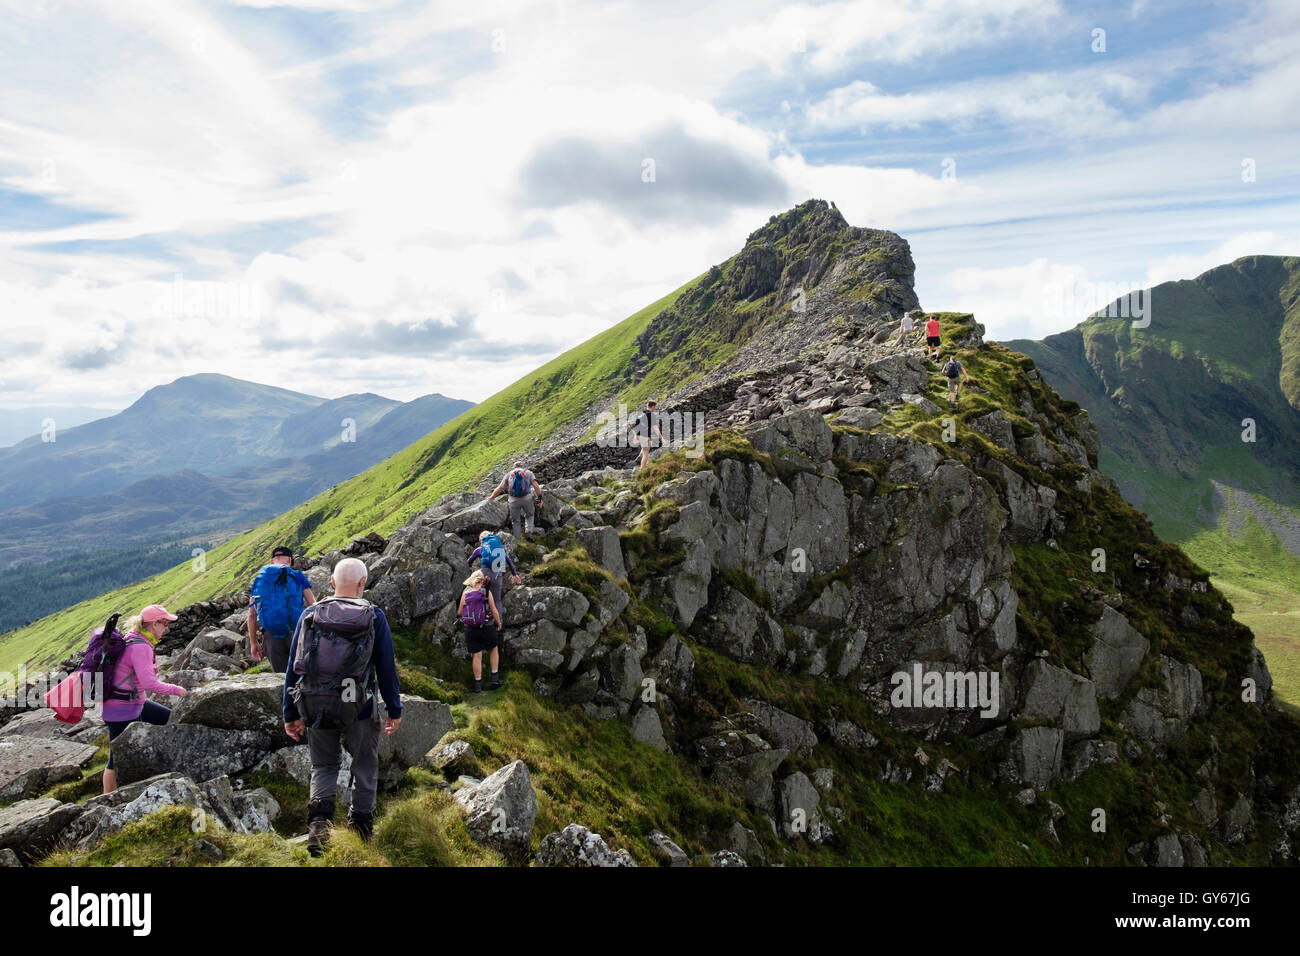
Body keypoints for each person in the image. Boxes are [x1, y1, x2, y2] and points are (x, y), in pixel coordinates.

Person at [283, 557, 401, 857]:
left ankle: (318, 828)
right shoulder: (373, 616)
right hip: (359, 707)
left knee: (323, 765)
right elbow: (386, 667)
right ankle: (361, 830)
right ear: (362, 583)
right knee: (364, 763)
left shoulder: (310, 615)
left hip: (315, 703)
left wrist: (290, 713)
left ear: (332, 582)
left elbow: (293, 670)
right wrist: (394, 709)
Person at [101, 605, 188, 794]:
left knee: (170, 719)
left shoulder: (135, 638)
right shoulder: (140, 646)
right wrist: (176, 690)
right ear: (153, 624)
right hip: (121, 709)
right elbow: (148, 683)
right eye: (164, 623)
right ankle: (107, 799)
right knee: (115, 759)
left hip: (131, 703)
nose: (166, 628)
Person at [248, 545, 316, 673]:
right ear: (290, 560)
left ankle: (284, 693)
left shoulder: (260, 580)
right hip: (295, 633)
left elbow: (252, 615)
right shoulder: (297, 576)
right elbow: (313, 606)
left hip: (270, 636)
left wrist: (253, 643)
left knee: (280, 678)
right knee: (301, 674)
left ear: (272, 561)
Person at [459, 569, 504, 693]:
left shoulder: (466, 592)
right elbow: (494, 610)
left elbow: (460, 612)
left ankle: (478, 686)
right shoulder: (486, 592)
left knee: (476, 655)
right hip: (487, 626)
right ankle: (494, 679)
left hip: (471, 629)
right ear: (482, 580)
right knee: (493, 649)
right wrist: (498, 623)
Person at [468, 530, 521, 631]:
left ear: (481, 539)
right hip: (498, 575)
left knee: (482, 598)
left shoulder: (480, 549)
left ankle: (482, 622)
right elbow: (508, 560)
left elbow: (469, 561)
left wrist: (470, 568)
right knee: (497, 600)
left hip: (484, 575)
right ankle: (498, 624)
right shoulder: (500, 549)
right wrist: (515, 574)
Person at [485, 462, 543, 541]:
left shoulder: (509, 474)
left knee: (515, 521)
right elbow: (536, 486)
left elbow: (499, 488)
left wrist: (491, 498)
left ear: (513, 467)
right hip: (527, 499)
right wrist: (539, 499)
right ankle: (528, 532)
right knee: (530, 515)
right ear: (523, 466)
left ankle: (518, 540)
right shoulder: (528, 473)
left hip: (513, 501)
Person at [630, 400, 665, 471]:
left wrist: (636, 436)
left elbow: (636, 425)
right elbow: (655, 428)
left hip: (640, 435)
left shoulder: (640, 414)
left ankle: (639, 457)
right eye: (655, 407)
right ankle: (642, 470)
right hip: (645, 436)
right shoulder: (651, 415)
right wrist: (661, 438)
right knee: (646, 453)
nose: (655, 409)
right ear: (652, 407)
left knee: (648, 445)